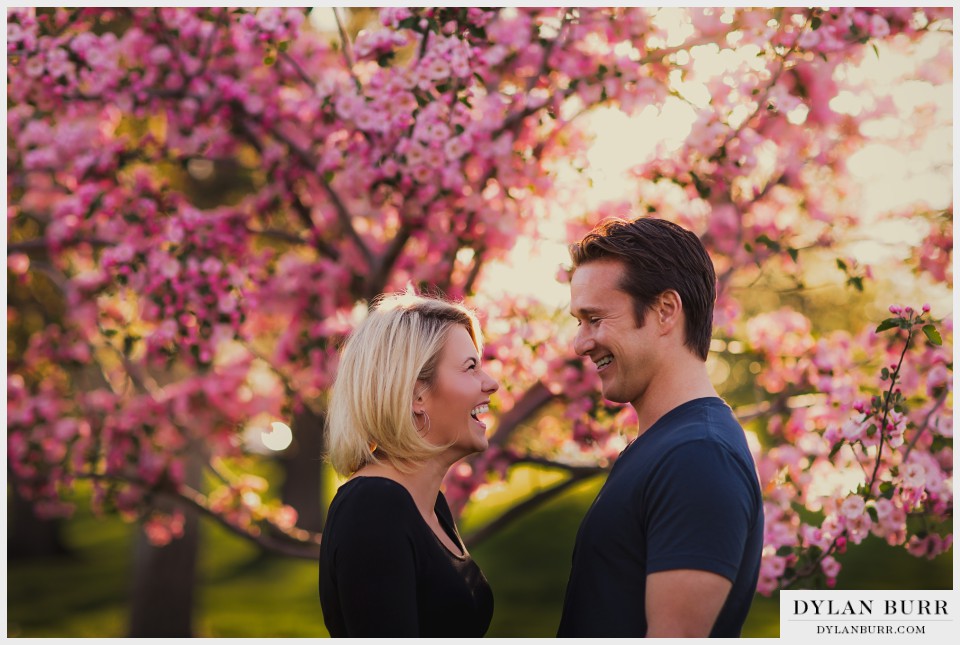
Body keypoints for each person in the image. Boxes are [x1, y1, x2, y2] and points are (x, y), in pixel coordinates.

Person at [557, 217, 764, 638]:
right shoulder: (669, 446)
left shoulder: (699, 456)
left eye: (594, 319)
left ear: (665, 311)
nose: (580, 343)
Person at [318, 291, 500, 637]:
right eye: (471, 367)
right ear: (417, 396)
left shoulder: (431, 507)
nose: (492, 383)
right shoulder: (373, 507)